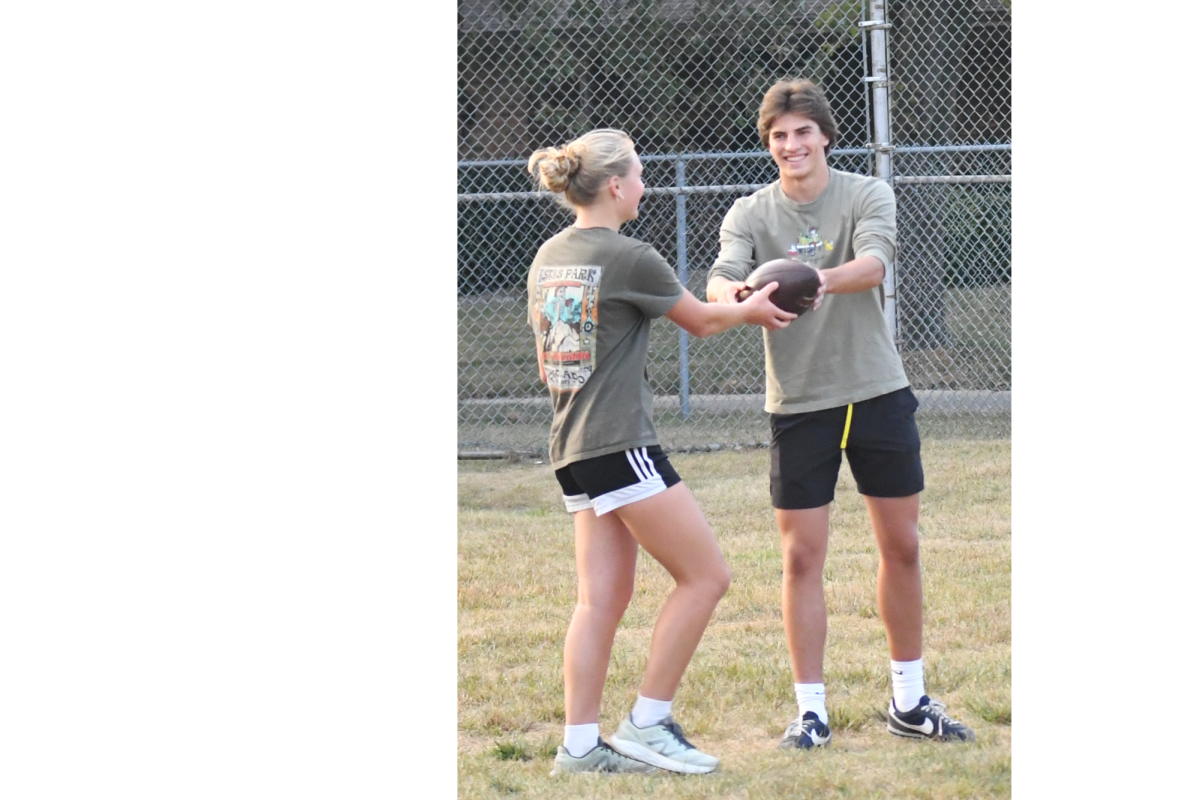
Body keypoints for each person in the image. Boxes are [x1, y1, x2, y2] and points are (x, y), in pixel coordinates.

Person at [706, 79, 976, 749]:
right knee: (801, 557)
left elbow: (876, 264)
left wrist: (812, 280)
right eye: (778, 136)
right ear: (768, 145)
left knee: (903, 545)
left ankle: (909, 703)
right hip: (799, 404)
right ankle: (811, 713)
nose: (791, 145)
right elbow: (718, 279)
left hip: (876, 390)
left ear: (825, 135)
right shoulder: (749, 211)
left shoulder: (864, 193)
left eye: (802, 132)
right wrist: (743, 295)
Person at [526, 128, 797, 775]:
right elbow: (701, 322)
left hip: (572, 447)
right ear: (615, 186)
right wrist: (754, 310)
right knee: (707, 577)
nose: (645, 186)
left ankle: (580, 747)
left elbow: (551, 367)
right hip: (619, 443)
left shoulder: (550, 257)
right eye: (640, 176)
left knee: (599, 602)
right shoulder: (628, 256)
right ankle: (648, 721)